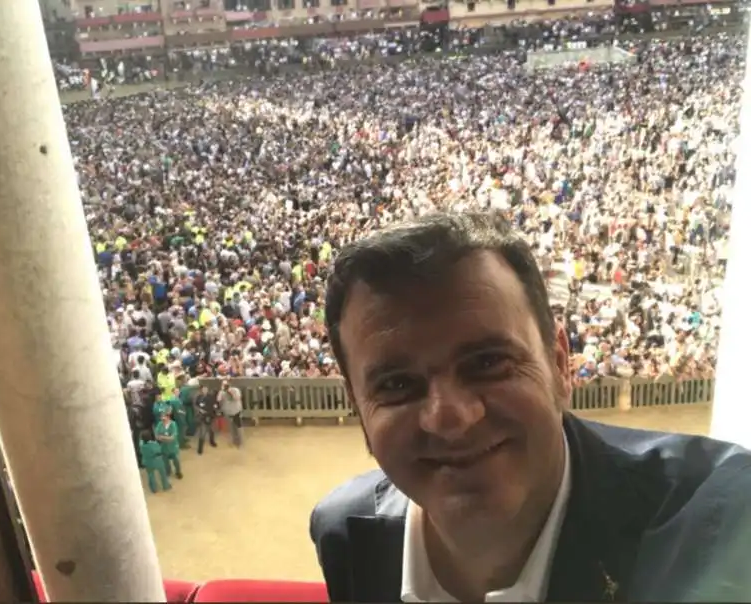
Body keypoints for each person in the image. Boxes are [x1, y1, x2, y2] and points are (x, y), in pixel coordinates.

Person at [309, 212, 751, 602]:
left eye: (487, 362)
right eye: (398, 384)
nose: (450, 417)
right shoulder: (344, 533)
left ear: (560, 363)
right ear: (359, 408)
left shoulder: (726, 520)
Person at [138, 429, 170, 493]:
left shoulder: (141, 445)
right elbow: (159, 450)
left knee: (151, 475)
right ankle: (166, 486)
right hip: (157, 461)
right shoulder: (154, 444)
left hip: (148, 462)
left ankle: (154, 489)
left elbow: (141, 441)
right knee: (162, 473)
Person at [154, 411, 183, 480]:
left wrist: (162, 437)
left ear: (168, 417)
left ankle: (178, 472)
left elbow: (172, 438)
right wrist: (165, 438)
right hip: (164, 448)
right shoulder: (160, 424)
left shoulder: (173, 424)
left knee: (176, 460)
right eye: (161, 417)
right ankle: (168, 471)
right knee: (165, 461)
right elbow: (156, 435)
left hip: (173, 447)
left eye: (164, 417)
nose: (162, 419)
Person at [217, 378, 244, 448]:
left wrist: (230, 392)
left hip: (236, 410)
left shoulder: (235, 390)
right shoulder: (221, 392)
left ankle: (240, 442)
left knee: (238, 426)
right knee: (231, 426)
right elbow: (218, 400)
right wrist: (222, 392)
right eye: (223, 385)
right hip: (227, 412)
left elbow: (237, 398)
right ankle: (234, 440)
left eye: (226, 385)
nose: (225, 386)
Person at [194, 384, 218, 455]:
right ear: (202, 390)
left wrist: (215, 407)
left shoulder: (211, 397)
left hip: (211, 416)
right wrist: (199, 410)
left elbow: (215, 404)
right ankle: (200, 449)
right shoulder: (199, 397)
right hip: (203, 417)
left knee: (212, 430)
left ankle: (212, 441)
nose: (205, 391)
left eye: (206, 389)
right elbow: (196, 405)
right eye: (203, 390)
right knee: (202, 433)